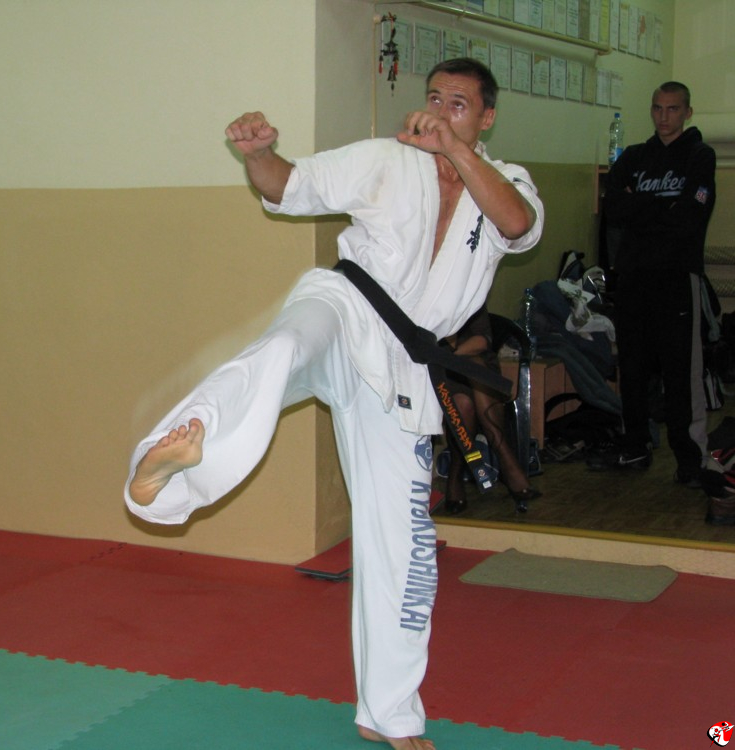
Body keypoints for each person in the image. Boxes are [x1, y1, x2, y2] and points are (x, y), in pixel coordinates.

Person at [124, 58, 543, 750]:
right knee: (282, 349)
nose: (440, 111)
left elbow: (518, 224)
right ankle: (169, 463)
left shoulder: (506, 181)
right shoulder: (387, 159)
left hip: (404, 367)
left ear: (487, 118)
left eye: (459, 104)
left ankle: (389, 714)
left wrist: (455, 152)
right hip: (347, 307)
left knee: (402, 545)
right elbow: (289, 185)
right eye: (434, 98)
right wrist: (259, 155)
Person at [598, 82, 716, 487]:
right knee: (632, 367)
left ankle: (690, 458)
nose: (664, 117)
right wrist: (661, 205)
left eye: (673, 109)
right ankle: (635, 445)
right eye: (658, 108)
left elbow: (690, 217)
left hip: (676, 277)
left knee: (680, 370)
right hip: (634, 277)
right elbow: (614, 209)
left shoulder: (699, 155)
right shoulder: (634, 156)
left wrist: (640, 206)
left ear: (687, 112)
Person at [440, 306, 540, 515]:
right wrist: (448, 359)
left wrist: (453, 355)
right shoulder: (423, 299)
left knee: (476, 369)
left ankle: (457, 473)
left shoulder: (471, 296)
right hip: (444, 374)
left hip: (479, 369)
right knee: (462, 403)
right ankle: (503, 459)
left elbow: (481, 341)